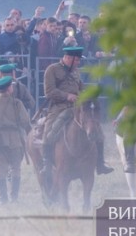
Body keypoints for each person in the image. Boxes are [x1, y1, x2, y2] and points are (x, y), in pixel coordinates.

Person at [39, 47, 113, 183]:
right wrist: (67, 96)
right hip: (58, 107)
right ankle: (46, 164)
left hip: (78, 108)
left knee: (97, 130)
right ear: (68, 58)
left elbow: (81, 88)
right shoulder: (52, 70)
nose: (78, 63)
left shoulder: (75, 72)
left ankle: (100, 163)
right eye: (77, 60)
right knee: (49, 132)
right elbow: (49, 91)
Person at [0, 76, 31, 204]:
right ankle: (14, 198)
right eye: (11, 86)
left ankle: (3, 200)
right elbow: (25, 121)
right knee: (16, 168)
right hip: (15, 140)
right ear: (9, 88)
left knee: (1, 169)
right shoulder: (17, 103)